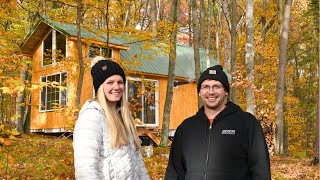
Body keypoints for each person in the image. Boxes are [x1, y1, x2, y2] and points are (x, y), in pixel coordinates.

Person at [165, 65, 271, 180]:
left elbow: (261, 171)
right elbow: (174, 172)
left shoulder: (247, 124)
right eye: (205, 86)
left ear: (226, 92)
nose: (211, 92)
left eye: (216, 86)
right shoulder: (186, 128)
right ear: (199, 92)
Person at [73, 56, 150, 180]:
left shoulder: (124, 116)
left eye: (120, 82)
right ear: (100, 87)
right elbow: (86, 169)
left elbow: (138, 162)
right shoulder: (91, 117)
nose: (117, 87)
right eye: (110, 82)